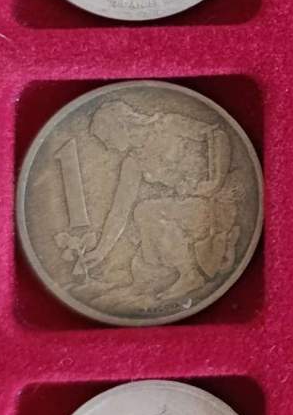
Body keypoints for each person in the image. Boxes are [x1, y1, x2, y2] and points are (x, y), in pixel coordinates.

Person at [80, 100, 241, 301]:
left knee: (147, 212)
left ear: (118, 126)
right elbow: (120, 210)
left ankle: (191, 274)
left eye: (106, 138)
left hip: (217, 201)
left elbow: (217, 136)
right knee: (144, 219)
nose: (107, 146)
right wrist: (100, 251)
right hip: (188, 209)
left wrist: (216, 181)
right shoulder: (133, 162)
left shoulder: (168, 125)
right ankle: (190, 269)